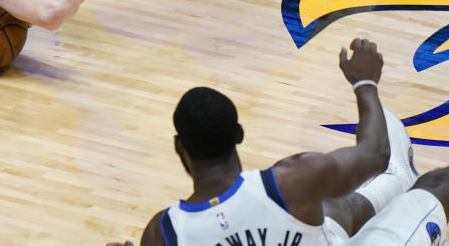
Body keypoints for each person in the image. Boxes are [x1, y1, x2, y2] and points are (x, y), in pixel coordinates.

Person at [106, 37, 434, 246]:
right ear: (239, 135)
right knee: (439, 183)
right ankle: (398, 182)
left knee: (322, 206)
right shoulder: (294, 179)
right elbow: (376, 152)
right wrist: (365, 82)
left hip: (324, 230)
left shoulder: (162, 234)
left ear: (179, 146)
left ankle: (395, 186)